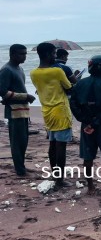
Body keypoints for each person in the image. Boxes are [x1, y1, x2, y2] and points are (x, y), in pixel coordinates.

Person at [70, 55, 101, 196]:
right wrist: (96, 122)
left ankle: (91, 187)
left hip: (86, 124)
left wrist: (86, 120)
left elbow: (73, 104)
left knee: (88, 157)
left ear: (90, 66)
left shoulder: (79, 84)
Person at [30, 42, 73, 188]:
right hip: (60, 111)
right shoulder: (57, 71)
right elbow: (69, 87)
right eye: (54, 54)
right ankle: (60, 180)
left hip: (46, 112)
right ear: (48, 54)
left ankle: (55, 174)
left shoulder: (33, 73)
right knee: (61, 147)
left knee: (52, 144)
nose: (56, 56)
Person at [0, 44, 36, 176]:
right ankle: (20, 170)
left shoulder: (19, 69)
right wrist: (25, 96)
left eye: (25, 53)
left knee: (23, 140)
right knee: (17, 141)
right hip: (14, 111)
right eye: (21, 54)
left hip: (23, 109)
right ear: (12, 54)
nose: (24, 56)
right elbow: (2, 91)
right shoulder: (6, 70)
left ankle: (21, 166)